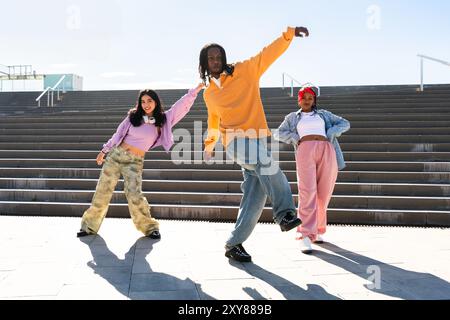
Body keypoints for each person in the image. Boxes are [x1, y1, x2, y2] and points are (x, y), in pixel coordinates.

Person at [198, 27, 309, 262]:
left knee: (254, 198)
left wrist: (287, 35)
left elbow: (267, 54)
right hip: (235, 142)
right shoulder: (209, 94)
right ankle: (285, 214)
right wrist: (209, 145)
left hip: (257, 138)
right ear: (205, 63)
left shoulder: (245, 70)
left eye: (219, 57)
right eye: (211, 58)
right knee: (266, 163)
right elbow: (214, 121)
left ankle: (233, 243)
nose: (216, 61)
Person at [77, 83, 204, 239]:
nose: (146, 104)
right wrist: (104, 151)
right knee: (102, 191)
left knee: (134, 194)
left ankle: (150, 228)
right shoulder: (133, 117)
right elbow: (118, 134)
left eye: (149, 101)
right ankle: (89, 226)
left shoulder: (163, 119)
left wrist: (194, 92)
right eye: (143, 101)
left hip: (134, 162)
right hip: (116, 157)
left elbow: (180, 107)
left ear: (155, 102)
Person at [274, 86, 350, 254]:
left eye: (310, 97)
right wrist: (295, 137)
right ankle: (305, 235)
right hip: (305, 151)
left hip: (326, 150)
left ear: (314, 100)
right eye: (303, 97)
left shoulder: (323, 114)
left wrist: (331, 131)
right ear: (298, 100)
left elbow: (345, 123)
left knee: (324, 193)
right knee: (307, 192)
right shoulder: (293, 117)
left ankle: (317, 230)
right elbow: (278, 133)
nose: (307, 100)